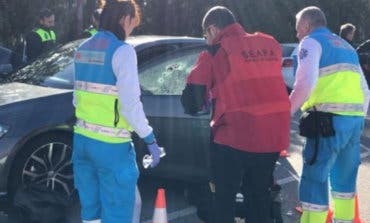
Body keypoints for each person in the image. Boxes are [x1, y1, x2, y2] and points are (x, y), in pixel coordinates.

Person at [181, 6, 290, 223]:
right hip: (273, 137)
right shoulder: (269, 44)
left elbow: (192, 101)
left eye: (205, 35)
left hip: (234, 138)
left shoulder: (215, 51)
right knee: (259, 198)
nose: (206, 40)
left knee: (223, 200)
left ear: (212, 29)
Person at [72, 1, 162, 223]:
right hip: (111, 148)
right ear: (124, 18)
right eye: (133, 24)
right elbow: (130, 105)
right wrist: (150, 139)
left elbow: (77, 99)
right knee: (117, 213)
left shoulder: (82, 50)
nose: (131, 30)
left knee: (90, 212)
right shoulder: (123, 51)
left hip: (82, 142)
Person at [290, 6, 370, 223]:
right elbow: (364, 90)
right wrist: (358, 119)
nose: (297, 35)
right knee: (345, 184)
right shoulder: (347, 47)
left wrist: (286, 112)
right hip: (353, 123)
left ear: (306, 25)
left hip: (326, 123)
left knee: (315, 180)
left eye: (298, 29)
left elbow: (305, 83)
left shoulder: (310, 42)